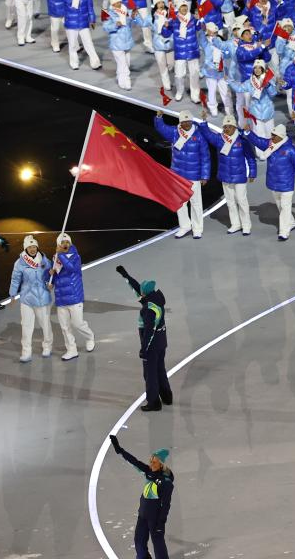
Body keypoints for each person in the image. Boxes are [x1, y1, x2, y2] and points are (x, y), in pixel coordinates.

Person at [115, 265, 171, 411]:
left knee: (150, 374)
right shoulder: (156, 299)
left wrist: (144, 349)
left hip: (152, 344)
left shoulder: (149, 309)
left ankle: (154, 402)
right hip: (162, 341)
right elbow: (137, 287)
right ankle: (167, 397)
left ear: (145, 294)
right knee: (160, 369)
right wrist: (126, 275)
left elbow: (149, 331)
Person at [108, 434, 174, 559]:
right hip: (143, 514)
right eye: (151, 461)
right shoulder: (148, 471)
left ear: (161, 464)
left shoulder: (165, 482)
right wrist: (120, 450)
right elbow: (134, 461)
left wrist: (161, 523)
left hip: (155, 518)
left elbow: (166, 505)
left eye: (154, 462)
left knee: (158, 545)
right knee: (139, 541)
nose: (151, 464)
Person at [242, 122, 295, 240]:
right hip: (274, 183)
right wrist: (248, 132)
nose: (272, 137)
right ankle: (291, 223)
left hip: (286, 184)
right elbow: (258, 141)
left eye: (274, 135)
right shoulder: (269, 145)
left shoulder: (291, 150)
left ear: (281, 136)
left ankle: (284, 232)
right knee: (281, 206)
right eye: (272, 134)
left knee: (285, 207)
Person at [154, 110, 211, 239]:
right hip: (178, 174)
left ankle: (197, 228)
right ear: (180, 122)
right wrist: (159, 117)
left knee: (196, 202)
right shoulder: (175, 132)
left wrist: (205, 175)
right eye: (183, 122)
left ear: (191, 121)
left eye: (188, 121)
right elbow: (161, 128)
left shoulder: (199, 135)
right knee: (180, 202)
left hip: (194, 175)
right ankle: (185, 226)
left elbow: (205, 157)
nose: (186, 124)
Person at [197, 115, 258, 235]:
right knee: (230, 202)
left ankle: (246, 225)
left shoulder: (242, 141)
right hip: (225, 176)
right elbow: (208, 134)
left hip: (239, 176)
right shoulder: (219, 139)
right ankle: (235, 224)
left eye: (229, 126)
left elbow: (251, 158)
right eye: (225, 127)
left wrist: (252, 173)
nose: (227, 129)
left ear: (234, 127)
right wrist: (204, 122)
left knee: (242, 201)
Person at [50, 231, 95, 360]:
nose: (65, 244)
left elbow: (71, 269)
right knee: (65, 327)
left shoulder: (75, 256)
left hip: (75, 296)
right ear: (58, 244)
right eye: (62, 242)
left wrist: (60, 255)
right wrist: (51, 277)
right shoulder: (56, 258)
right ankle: (71, 350)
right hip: (61, 298)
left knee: (78, 323)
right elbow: (57, 275)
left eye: (67, 242)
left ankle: (90, 337)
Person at [8, 235, 53, 362]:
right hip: (27, 299)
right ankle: (26, 352)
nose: (32, 249)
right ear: (25, 249)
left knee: (45, 325)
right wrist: (12, 295)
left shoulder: (45, 261)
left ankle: (47, 346)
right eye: (30, 247)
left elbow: (50, 277)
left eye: (34, 247)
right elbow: (15, 279)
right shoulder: (19, 263)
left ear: (37, 247)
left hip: (42, 298)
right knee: (26, 326)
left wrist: (51, 283)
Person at [103, 0, 150, 90]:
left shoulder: (127, 11)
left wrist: (135, 16)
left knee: (125, 64)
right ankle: (125, 83)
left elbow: (141, 23)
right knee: (123, 65)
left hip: (127, 43)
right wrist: (115, 25)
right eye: (116, 2)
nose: (119, 3)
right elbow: (106, 27)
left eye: (119, 1)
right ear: (112, 3)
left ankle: (119, 76)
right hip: (116, 44)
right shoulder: (109, 14)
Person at [61, 0, 102, 70]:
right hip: (71, 24)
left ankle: (95, 62)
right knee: (72, 45)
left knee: (89, 43)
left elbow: (90, 8)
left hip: (83, 23)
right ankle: (74, 63)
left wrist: (92, 20)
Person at [229, 57, 276, 139]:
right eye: (255, 68)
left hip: (268, 113)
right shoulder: (249, 82)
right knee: (259, 137)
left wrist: (268, 86)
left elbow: (273, 93)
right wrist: (230, 82)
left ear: (263, 69)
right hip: (256, 114)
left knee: (271, 136)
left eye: (259, 68)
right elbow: (239, 88)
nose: (257, 70)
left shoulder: (268, 80)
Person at [165, 0, 203, 103]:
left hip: (192, 51)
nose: (184, 8)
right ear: (178, 8)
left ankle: (195, 95)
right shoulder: (174, 20)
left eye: (185, 6)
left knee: (194, 74)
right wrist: (165, 26)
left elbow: (200, 27)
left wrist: (200, 20)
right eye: (182, 6)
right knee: (179, 75)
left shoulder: (193, 19)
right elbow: (165, 34)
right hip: (180, 52)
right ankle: (179, 91)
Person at [200, 21, 233, 116]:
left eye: (215, 32)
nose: (214, 33)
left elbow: (226, 53)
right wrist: (203, 30)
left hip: (221, 72)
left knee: (225, 91)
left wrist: (226, 53)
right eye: (212, 31)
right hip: (210, 71)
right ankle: (213, 108)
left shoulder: (219, 40)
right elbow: (201, 38)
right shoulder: (205, 42)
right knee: (212, 91)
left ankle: (229, 109)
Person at [150, 0, 175, 92]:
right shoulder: (152, 16)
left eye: (162, 2)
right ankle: (167, 84)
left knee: (171, 64)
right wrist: (135, 18)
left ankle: (168, 74)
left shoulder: (169, 14)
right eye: (159, 3)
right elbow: (143, 23)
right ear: (155, 5)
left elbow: (175, 23)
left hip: (169, 43)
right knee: (162, 66)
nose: (161, 4)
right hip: (158, 44)